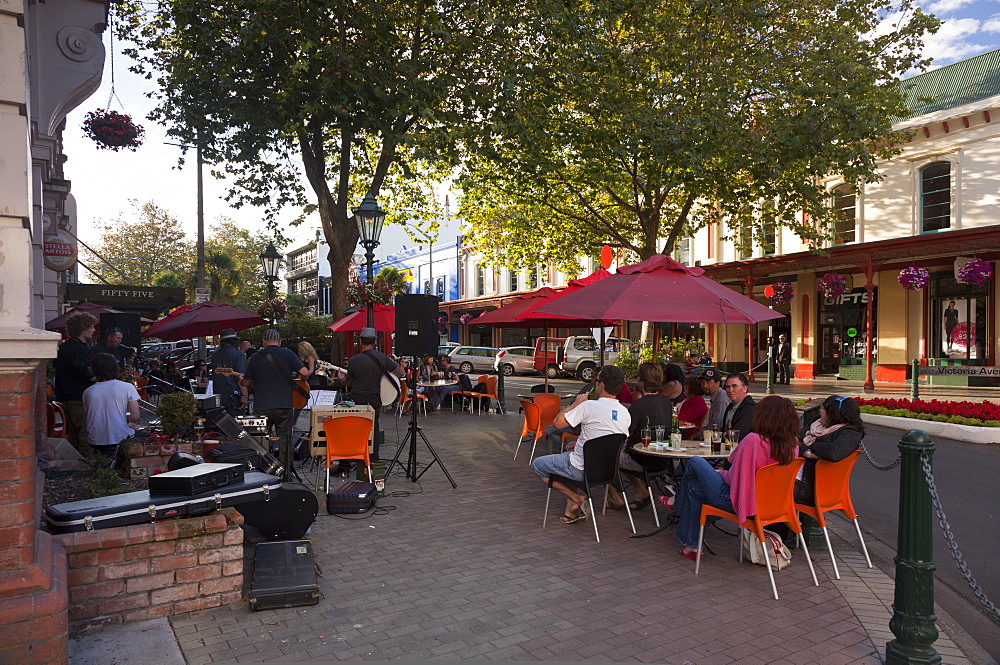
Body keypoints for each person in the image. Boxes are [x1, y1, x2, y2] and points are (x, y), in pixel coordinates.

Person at [665, 395, 800, 560]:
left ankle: (677, 504)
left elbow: (733, 479)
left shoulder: (753, 441)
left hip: (737, 500)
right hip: (771, 504)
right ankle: (692, 547)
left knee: (694, 461)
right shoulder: (793, 444)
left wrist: (718, 474)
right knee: (693, 488)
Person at [530, 366, 631, 524]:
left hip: (582, 469)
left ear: (601, 384)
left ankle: (576, 497)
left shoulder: (588, 406)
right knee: (569, 455)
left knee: (537, 465)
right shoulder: (625, 413)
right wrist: (578, 442)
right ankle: (571, 510)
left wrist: (576, 404)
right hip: (607, 471)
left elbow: (557, 423)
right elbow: (606, 438)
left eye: (596, 381)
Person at [241, 329, 309, 479]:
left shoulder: (256, 358)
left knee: (262, 438)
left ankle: (266, 469)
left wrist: (241, 379)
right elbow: (304, 373)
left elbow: (245, 382)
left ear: (264, 342)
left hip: (263, 404)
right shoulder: (288, 354)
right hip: (284, 404)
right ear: (280, 342)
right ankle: (285, 470)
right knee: (285, 437)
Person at [336, 327, 405, 461]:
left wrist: (341, 379)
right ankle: (374, 459)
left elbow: (348, 382)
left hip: (358, 397)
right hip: (375, 397)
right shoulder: (382, 358)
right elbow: (400, 373)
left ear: (360, 341)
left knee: (358, 428)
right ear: (374, 342)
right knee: (374, 427)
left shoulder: (354, 360)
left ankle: (359, 458)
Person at [613, 362, 675, 510]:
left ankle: (615, 498)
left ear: (642, 380)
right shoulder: (666, 402)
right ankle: (640, 491)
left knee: (607, 457)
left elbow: (626, 432)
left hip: (642, 459)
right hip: (663, 459)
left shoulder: (639, 405)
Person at [796, 395, 863, 505]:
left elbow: (833, 452)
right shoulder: (815, 423)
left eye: (824, 408)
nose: (820, 411)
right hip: (795, 475)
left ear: (832, 414)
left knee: (767, 489)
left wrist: (808, 446)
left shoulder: (850, 433)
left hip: (810, 487)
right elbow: (797, 441)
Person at [53, 312, 98, 452]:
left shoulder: (65, 347)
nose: (93, 330)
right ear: (82, 328)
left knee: (73, 436)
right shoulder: (80, 349)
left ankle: (76, 465)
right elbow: (88, 374)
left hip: (66, 397)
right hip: (79, 398)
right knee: (85, 436)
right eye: (91, 327)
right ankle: (87, 468)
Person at [83, 353, 141, 457]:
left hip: (95, 440)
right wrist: (124, 420)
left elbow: (94, 417)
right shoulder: (127, 387)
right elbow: (135, 417)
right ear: (115, 367)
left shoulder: (88, 392)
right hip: (119, 438)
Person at [211, 329, 247, 414]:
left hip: (218, 396)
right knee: (236, 424)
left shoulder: (215, 355)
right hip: (234, 396)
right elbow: (240, 377)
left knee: (221, 424)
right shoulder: (239, 354)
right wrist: (245, 395)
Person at [721, 372, 755, 442]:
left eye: (734, 386)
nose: (730, 390)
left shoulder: (749, 409)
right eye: (727, 387)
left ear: (745, 388)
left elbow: (738, 436)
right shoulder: (730, 407)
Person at [677, 373, 709, 438]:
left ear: (691, 387)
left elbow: (684, 418)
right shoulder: (685, 398)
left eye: (686, 384)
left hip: (688, 434)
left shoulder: (698, 401)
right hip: (679, 430)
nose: (683, 386)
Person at [699, 367, 731, 432]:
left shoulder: (721, 399)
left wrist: (700, 435)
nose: (705, 385)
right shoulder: (716, 397)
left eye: (709, 382)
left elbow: (717, 426)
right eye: (703, 382)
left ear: (718, 383)